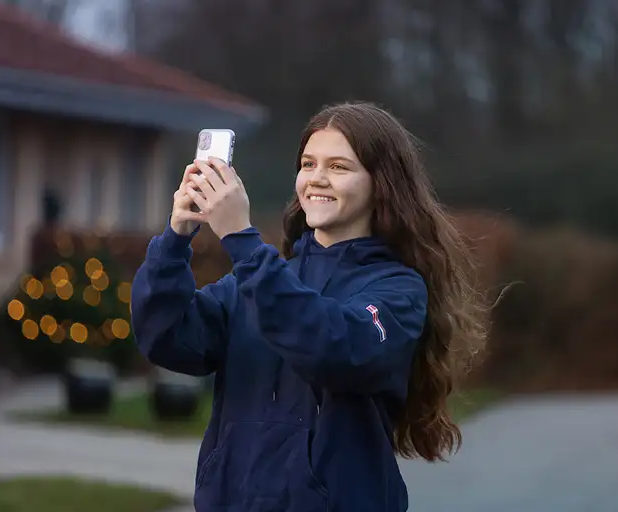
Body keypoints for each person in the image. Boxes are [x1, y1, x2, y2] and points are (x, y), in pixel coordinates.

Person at [131, 102, 487, 511]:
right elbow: (165, 337)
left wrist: (242, 239)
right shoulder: (259, 280)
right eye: (308, 163)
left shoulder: (398, 291)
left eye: (339, 167)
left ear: (381, 183)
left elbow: (332, 347)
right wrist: (175, 239)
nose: (317, 178)